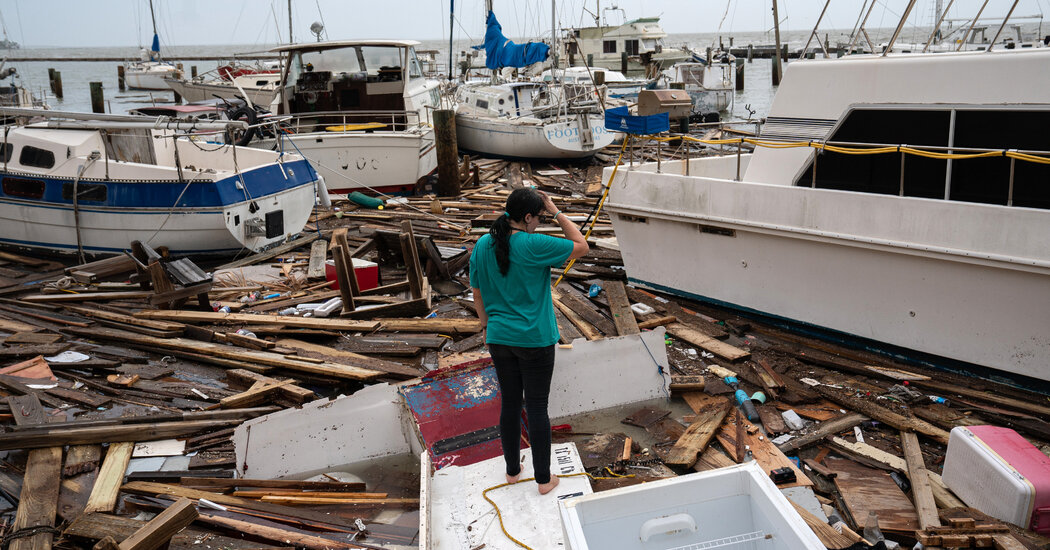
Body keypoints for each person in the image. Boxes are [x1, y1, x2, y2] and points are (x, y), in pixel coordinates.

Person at [469, 187, 589, 495]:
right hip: (534, 340)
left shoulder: (482, 244)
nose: (539, 224)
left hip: (498, 336)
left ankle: (512, 471)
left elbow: (478, 293)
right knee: (536, 407)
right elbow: (581, 245)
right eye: (538, 218)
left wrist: (486, 327)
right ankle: (543, 480)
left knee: (510, 403)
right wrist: (557, 210)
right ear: (527, 217)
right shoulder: (533, 243)